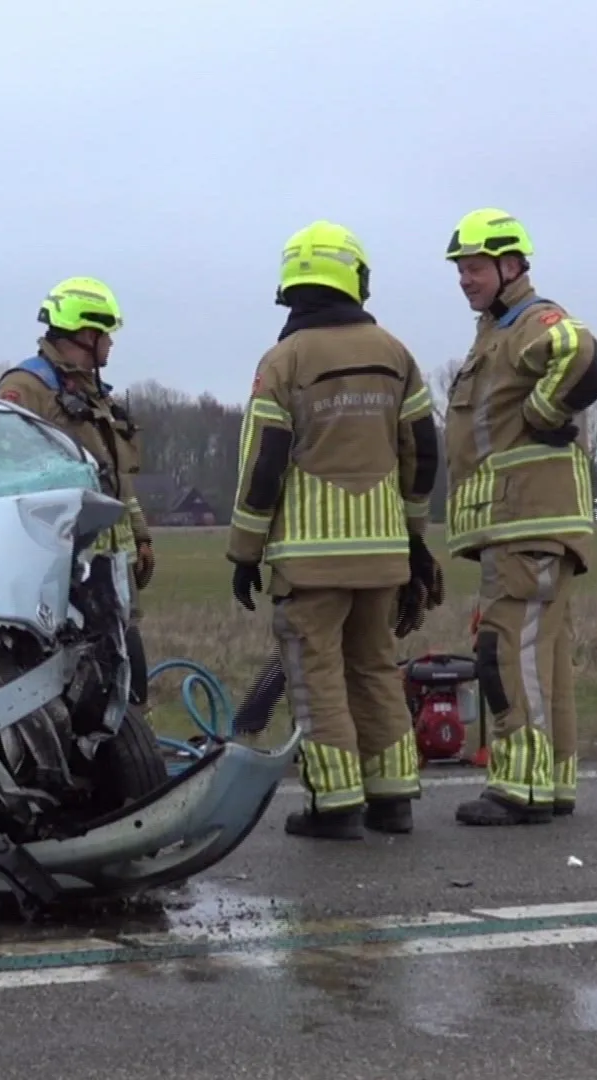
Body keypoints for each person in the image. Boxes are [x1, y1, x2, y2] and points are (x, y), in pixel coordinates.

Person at [225, 221, 442, 841]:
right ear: (354, 279)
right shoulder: (397, 354)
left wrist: (245, 552)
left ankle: (335, 804)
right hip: (382, 556)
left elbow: (263, 463)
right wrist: (414, 535)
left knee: (315, 673)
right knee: (376, 668)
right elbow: (422, 452)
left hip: (308, 561)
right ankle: (394, 797)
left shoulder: (284, 360)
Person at [439, 208, 597, 826]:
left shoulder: (532, 320)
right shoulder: (495, 331)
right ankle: (554, 783)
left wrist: (544, 409)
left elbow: (582, 352)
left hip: (527, 522)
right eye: (461, 268)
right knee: (546, 659)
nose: (465, 278)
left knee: (506, 651)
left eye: (477, 266)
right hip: (520, 523)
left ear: (512, 266)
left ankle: (519, 788)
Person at [0, 277, 155, 694]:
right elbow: (5, 480)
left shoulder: (97, 396)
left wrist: (140, 535)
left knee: (128, 681)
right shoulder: (27, 389)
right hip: (65, 576)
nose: (111, 345)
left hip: (111, 575)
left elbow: (119, 481)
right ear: (86, 333)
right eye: (107, 334)